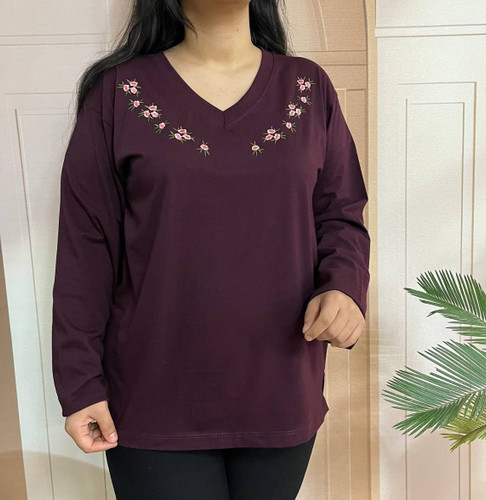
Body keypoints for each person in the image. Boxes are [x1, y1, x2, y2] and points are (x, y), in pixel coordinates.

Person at [51, 0, 370, 497]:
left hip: (281, 389)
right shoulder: (118, 93)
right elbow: (85, 249)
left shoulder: (307, 88)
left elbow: (341, 212)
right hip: (152, 399)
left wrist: (344, 287)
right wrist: (79, 383)